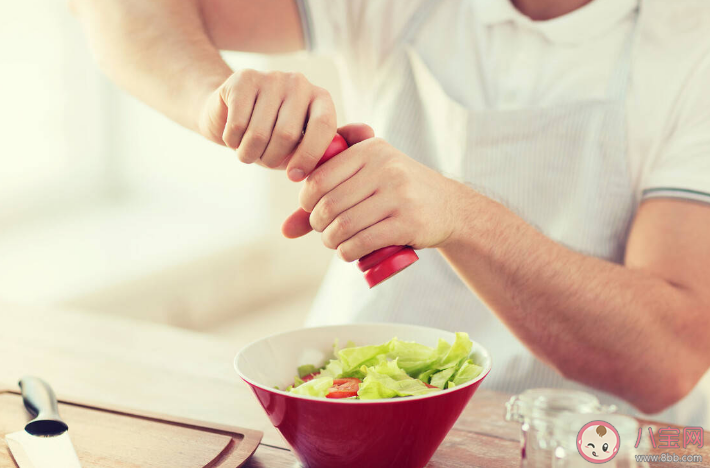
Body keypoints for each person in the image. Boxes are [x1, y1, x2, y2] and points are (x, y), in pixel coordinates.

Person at [70, 0, 710, 425]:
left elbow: (665, 361)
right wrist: (218, 100)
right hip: (355, 414)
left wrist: (458, 213)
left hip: (585, 441)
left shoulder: (692, 43)